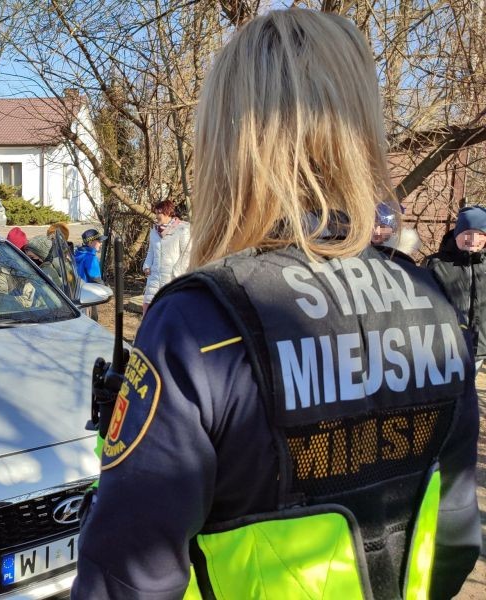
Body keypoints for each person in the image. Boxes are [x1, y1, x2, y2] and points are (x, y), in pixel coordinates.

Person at [73, 9, 479, 600]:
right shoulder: (431, 302)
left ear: (229, 139)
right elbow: (457, 537)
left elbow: (126, 581)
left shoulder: (200, 323)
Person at [426, 205, 486, 370]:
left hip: (479, 348)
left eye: (479, 234)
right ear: (457, 234)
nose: (473, 239)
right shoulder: (436, 264)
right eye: (467, 234)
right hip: (445, 347)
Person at [141, 199, 190, 315]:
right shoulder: (154, 231)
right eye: (156, 212)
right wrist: (147, 266)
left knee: (169, 312)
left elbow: (187, 253)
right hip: (154, 277)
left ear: (168, 213)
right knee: (149, 311)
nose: (157, 216)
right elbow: (151, 251)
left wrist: (177, 272)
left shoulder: (183, 229)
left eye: (159, 213)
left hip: (172, 278)